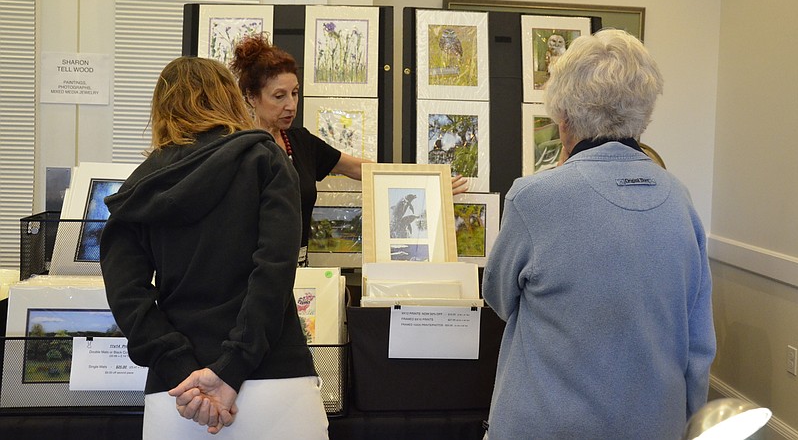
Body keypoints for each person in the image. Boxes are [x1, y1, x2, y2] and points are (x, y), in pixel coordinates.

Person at [482, 29, 715, 440]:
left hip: (545, 426)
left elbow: (498, 299)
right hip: (653, 424)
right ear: (644, 112)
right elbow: (699, 345)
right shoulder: (678, 198)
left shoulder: (534, 198)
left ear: (564, 118)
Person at [100, 57, 328, 439]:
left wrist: (180, 371)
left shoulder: (138, 189)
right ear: (231, 99)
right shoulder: (265, 159)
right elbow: (273, 271)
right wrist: (231, 367)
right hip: (274, 380)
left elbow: (126, 296)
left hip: (179, 396)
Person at [229, 33, 467, 263]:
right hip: (251, 274)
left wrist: (431, 184)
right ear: (251, 97)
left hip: (297, 271)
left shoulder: (301, 143)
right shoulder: (237, 150)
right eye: (279, 96)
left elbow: (363, 170)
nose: (291, 105)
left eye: (295, 93)